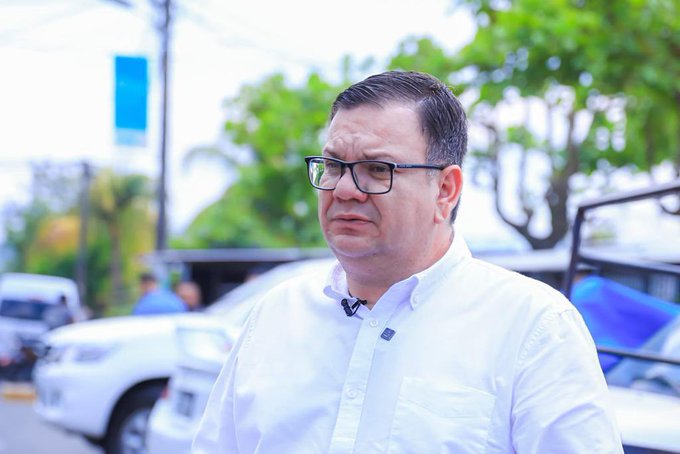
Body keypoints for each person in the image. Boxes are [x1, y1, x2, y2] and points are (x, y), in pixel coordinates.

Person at [193, 71, 622, 453]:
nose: (344, 190)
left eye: (377, 169)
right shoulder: (276, 315)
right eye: (334, 166)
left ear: (445, 190)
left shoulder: (534, 328)